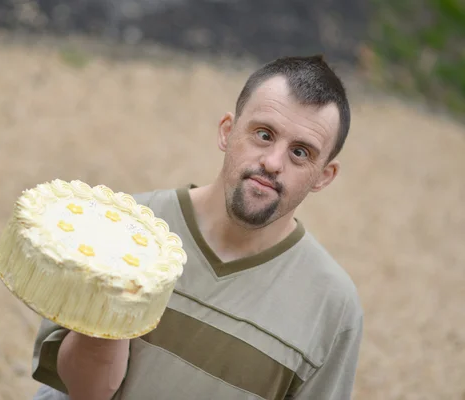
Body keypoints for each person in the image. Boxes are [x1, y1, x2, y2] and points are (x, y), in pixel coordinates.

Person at [30, 55, 363, 400]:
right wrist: (111, 308)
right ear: (227, 131)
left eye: (300, 152)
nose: (273, 162)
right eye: (264, 135)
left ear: (324, 176)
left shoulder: (333, 306)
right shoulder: (123, 227)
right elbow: (80, 391)